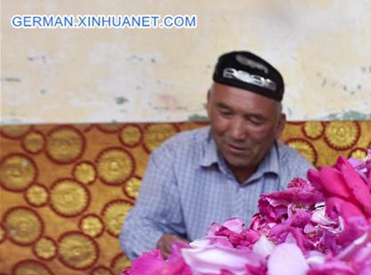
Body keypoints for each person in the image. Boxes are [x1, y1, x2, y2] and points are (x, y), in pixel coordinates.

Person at [119, 50, 313, 260]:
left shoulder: (299, 177)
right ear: (209, 104)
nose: (237, 133)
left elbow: (309, 252)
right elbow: (138, 225)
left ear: (278, 125)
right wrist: (159, 244)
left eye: (255, 121)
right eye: (225, 113)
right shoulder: (174, 156)